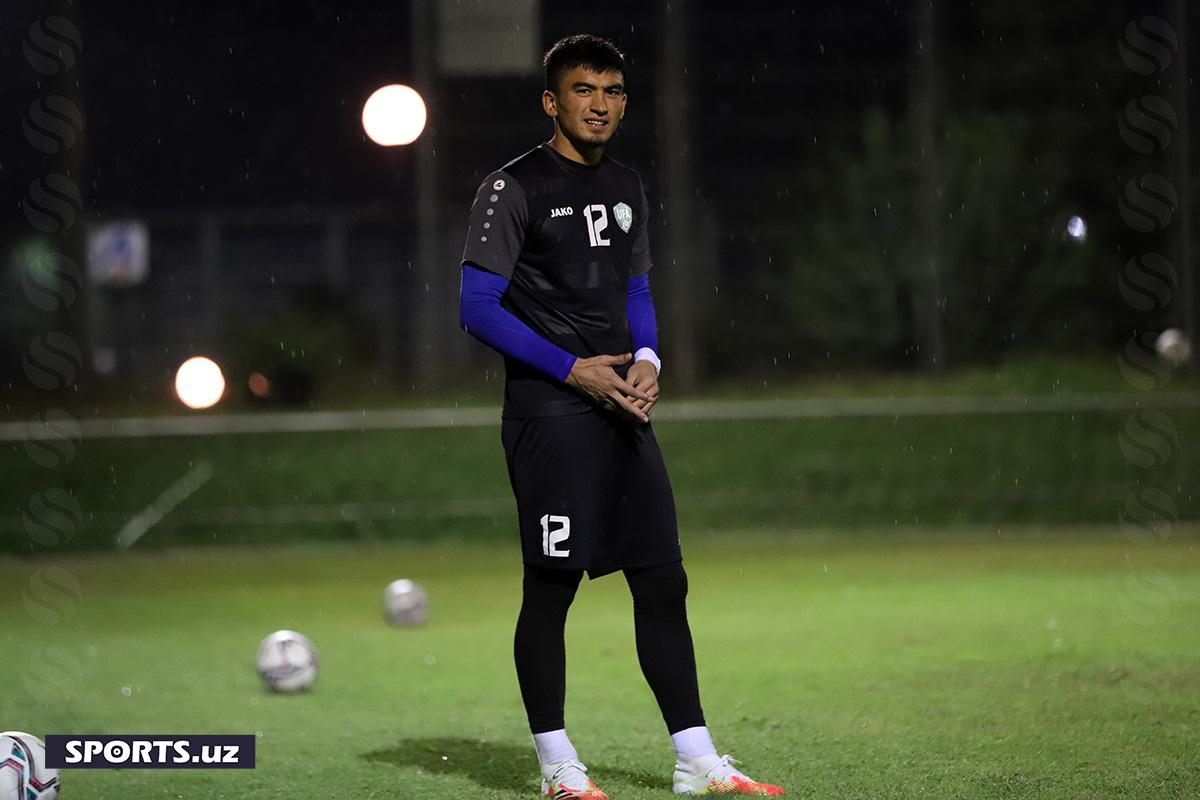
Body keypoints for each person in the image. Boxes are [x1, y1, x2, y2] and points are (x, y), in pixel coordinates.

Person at [458, 34, 784, 799]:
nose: (599, 104)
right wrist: (573, 369)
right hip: (551, 414)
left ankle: (695, 757)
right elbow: (475, 308)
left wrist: (649, 360)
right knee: (552, 586)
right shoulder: (512, 189)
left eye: (612, 91)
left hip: (622, 411)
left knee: (663, 579)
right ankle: (557, 766)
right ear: (552, 101)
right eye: (583, 90)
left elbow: (636, 291)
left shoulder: (630, 184)